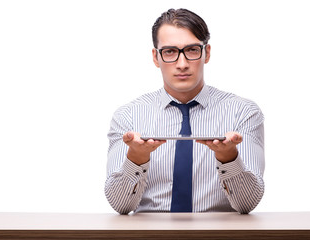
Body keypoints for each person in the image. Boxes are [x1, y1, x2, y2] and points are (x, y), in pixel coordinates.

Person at [105, 8, 265, 214]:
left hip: (217, 235)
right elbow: (120, 206)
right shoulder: (128, 117)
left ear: (206, 53)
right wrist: (136, 157)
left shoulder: (243, 113)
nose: (182, 64)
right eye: (170, 51)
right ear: (156, 57)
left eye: (191, 50)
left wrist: (228, 157)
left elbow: (247, 204)